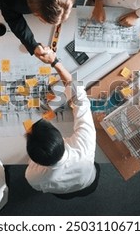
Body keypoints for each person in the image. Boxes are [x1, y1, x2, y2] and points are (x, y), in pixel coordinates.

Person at [24, 51, 100, 197]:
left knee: (66, 195)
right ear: (60, 138)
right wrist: (55, 63)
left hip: (61, 189)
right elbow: (80, 98)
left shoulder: (32, 177)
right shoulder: (84, 145)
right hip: (86, 180)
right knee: (85, 187)